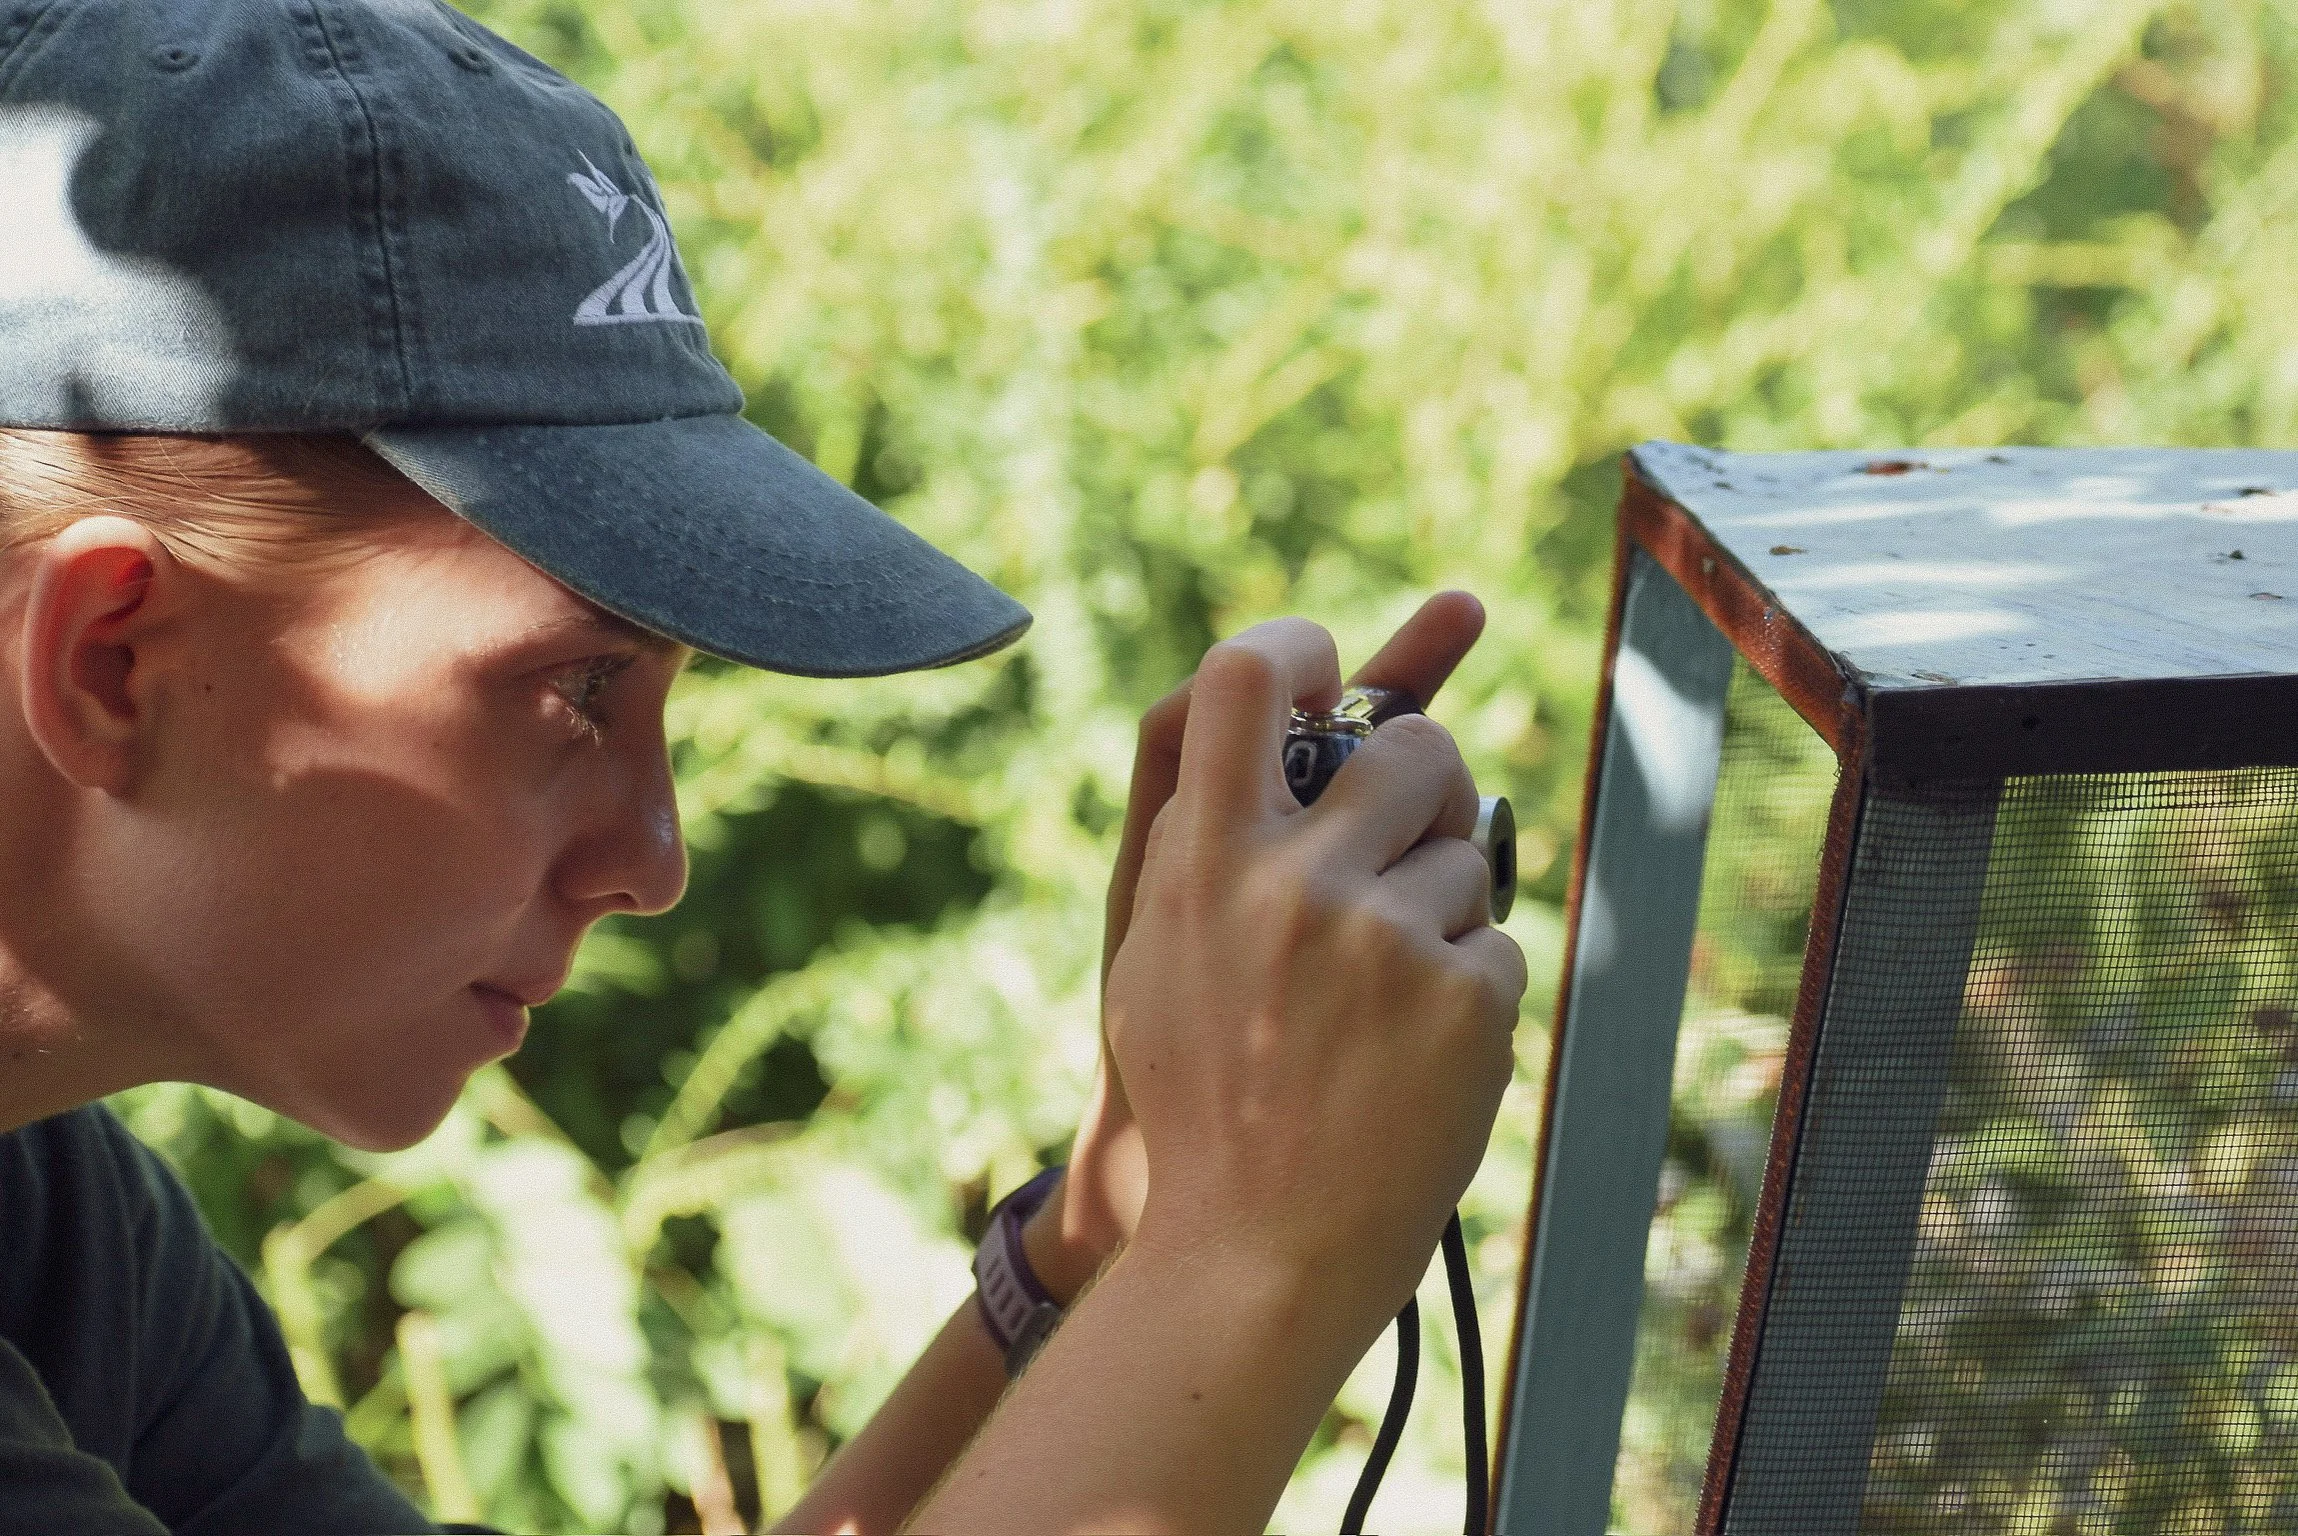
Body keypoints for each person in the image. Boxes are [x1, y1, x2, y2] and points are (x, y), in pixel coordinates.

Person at [0, 2, 1528, 1532]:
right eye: (579, 688)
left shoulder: (54, 1223)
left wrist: (1102, 1238)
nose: (653, 861)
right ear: (111, 662)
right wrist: (1258, 1240)